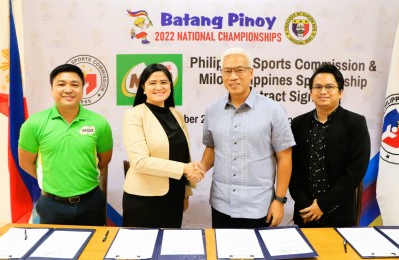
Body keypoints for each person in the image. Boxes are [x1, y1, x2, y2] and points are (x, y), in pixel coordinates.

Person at [198, 48, 295, 228]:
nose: (233, 76)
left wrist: (279, 200)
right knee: (222, 254)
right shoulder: (212, 111)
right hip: (221, 204)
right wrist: (201, 167)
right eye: (227, 71)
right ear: (221, 74)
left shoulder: (273, 110)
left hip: (258, 207)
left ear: (251, 73)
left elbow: (285, 157)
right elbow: (211, 148)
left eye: (239, 70)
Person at [18, 64, 113, 226]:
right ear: (52, 88)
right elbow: (25, 163)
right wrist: (53, 179)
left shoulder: (99, 122)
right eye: (61, 84)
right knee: (54, 250)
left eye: (74, 84)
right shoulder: (34, 123)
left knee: (94, 250)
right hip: (52, 205)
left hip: (91, 202)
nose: (68, 89)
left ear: (83, 88)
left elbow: (104, 159)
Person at [289, 64, 371, 227]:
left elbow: (356, 170)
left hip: (339, 214)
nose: (323, 91)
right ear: (311, 92)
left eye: (329, 87)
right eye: (317, 87)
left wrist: (323, 205)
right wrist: (306, 206)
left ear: (341, 92)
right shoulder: (298, 124)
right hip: (305, 214)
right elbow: (291, 169)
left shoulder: (355, 123)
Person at [122, 63, 202, 228]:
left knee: (168, 249)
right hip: (144, 199)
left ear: (170, 87)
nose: (159, 87)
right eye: (152, 83)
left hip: (175, 196)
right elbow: (140, 162)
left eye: (164, 82)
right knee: (140, 251)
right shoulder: (134, 115)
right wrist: (184, 169)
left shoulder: (176, 114)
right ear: (143, 87)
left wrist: (186, 193)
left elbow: (184, 155)